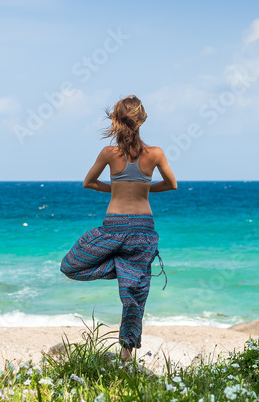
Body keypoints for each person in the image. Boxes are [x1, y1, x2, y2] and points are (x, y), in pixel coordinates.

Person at [60, 95, 178, 362]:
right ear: (142, 120)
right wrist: (145, 187)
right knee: (135, 294)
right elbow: (171, 184)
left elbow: (89, 183)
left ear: (116, 120)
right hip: (143, 230)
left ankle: (123, 273)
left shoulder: (109, 153)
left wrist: (115, 186)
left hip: (113, 227)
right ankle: (127, 350)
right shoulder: (156, 153)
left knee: (70, 266)